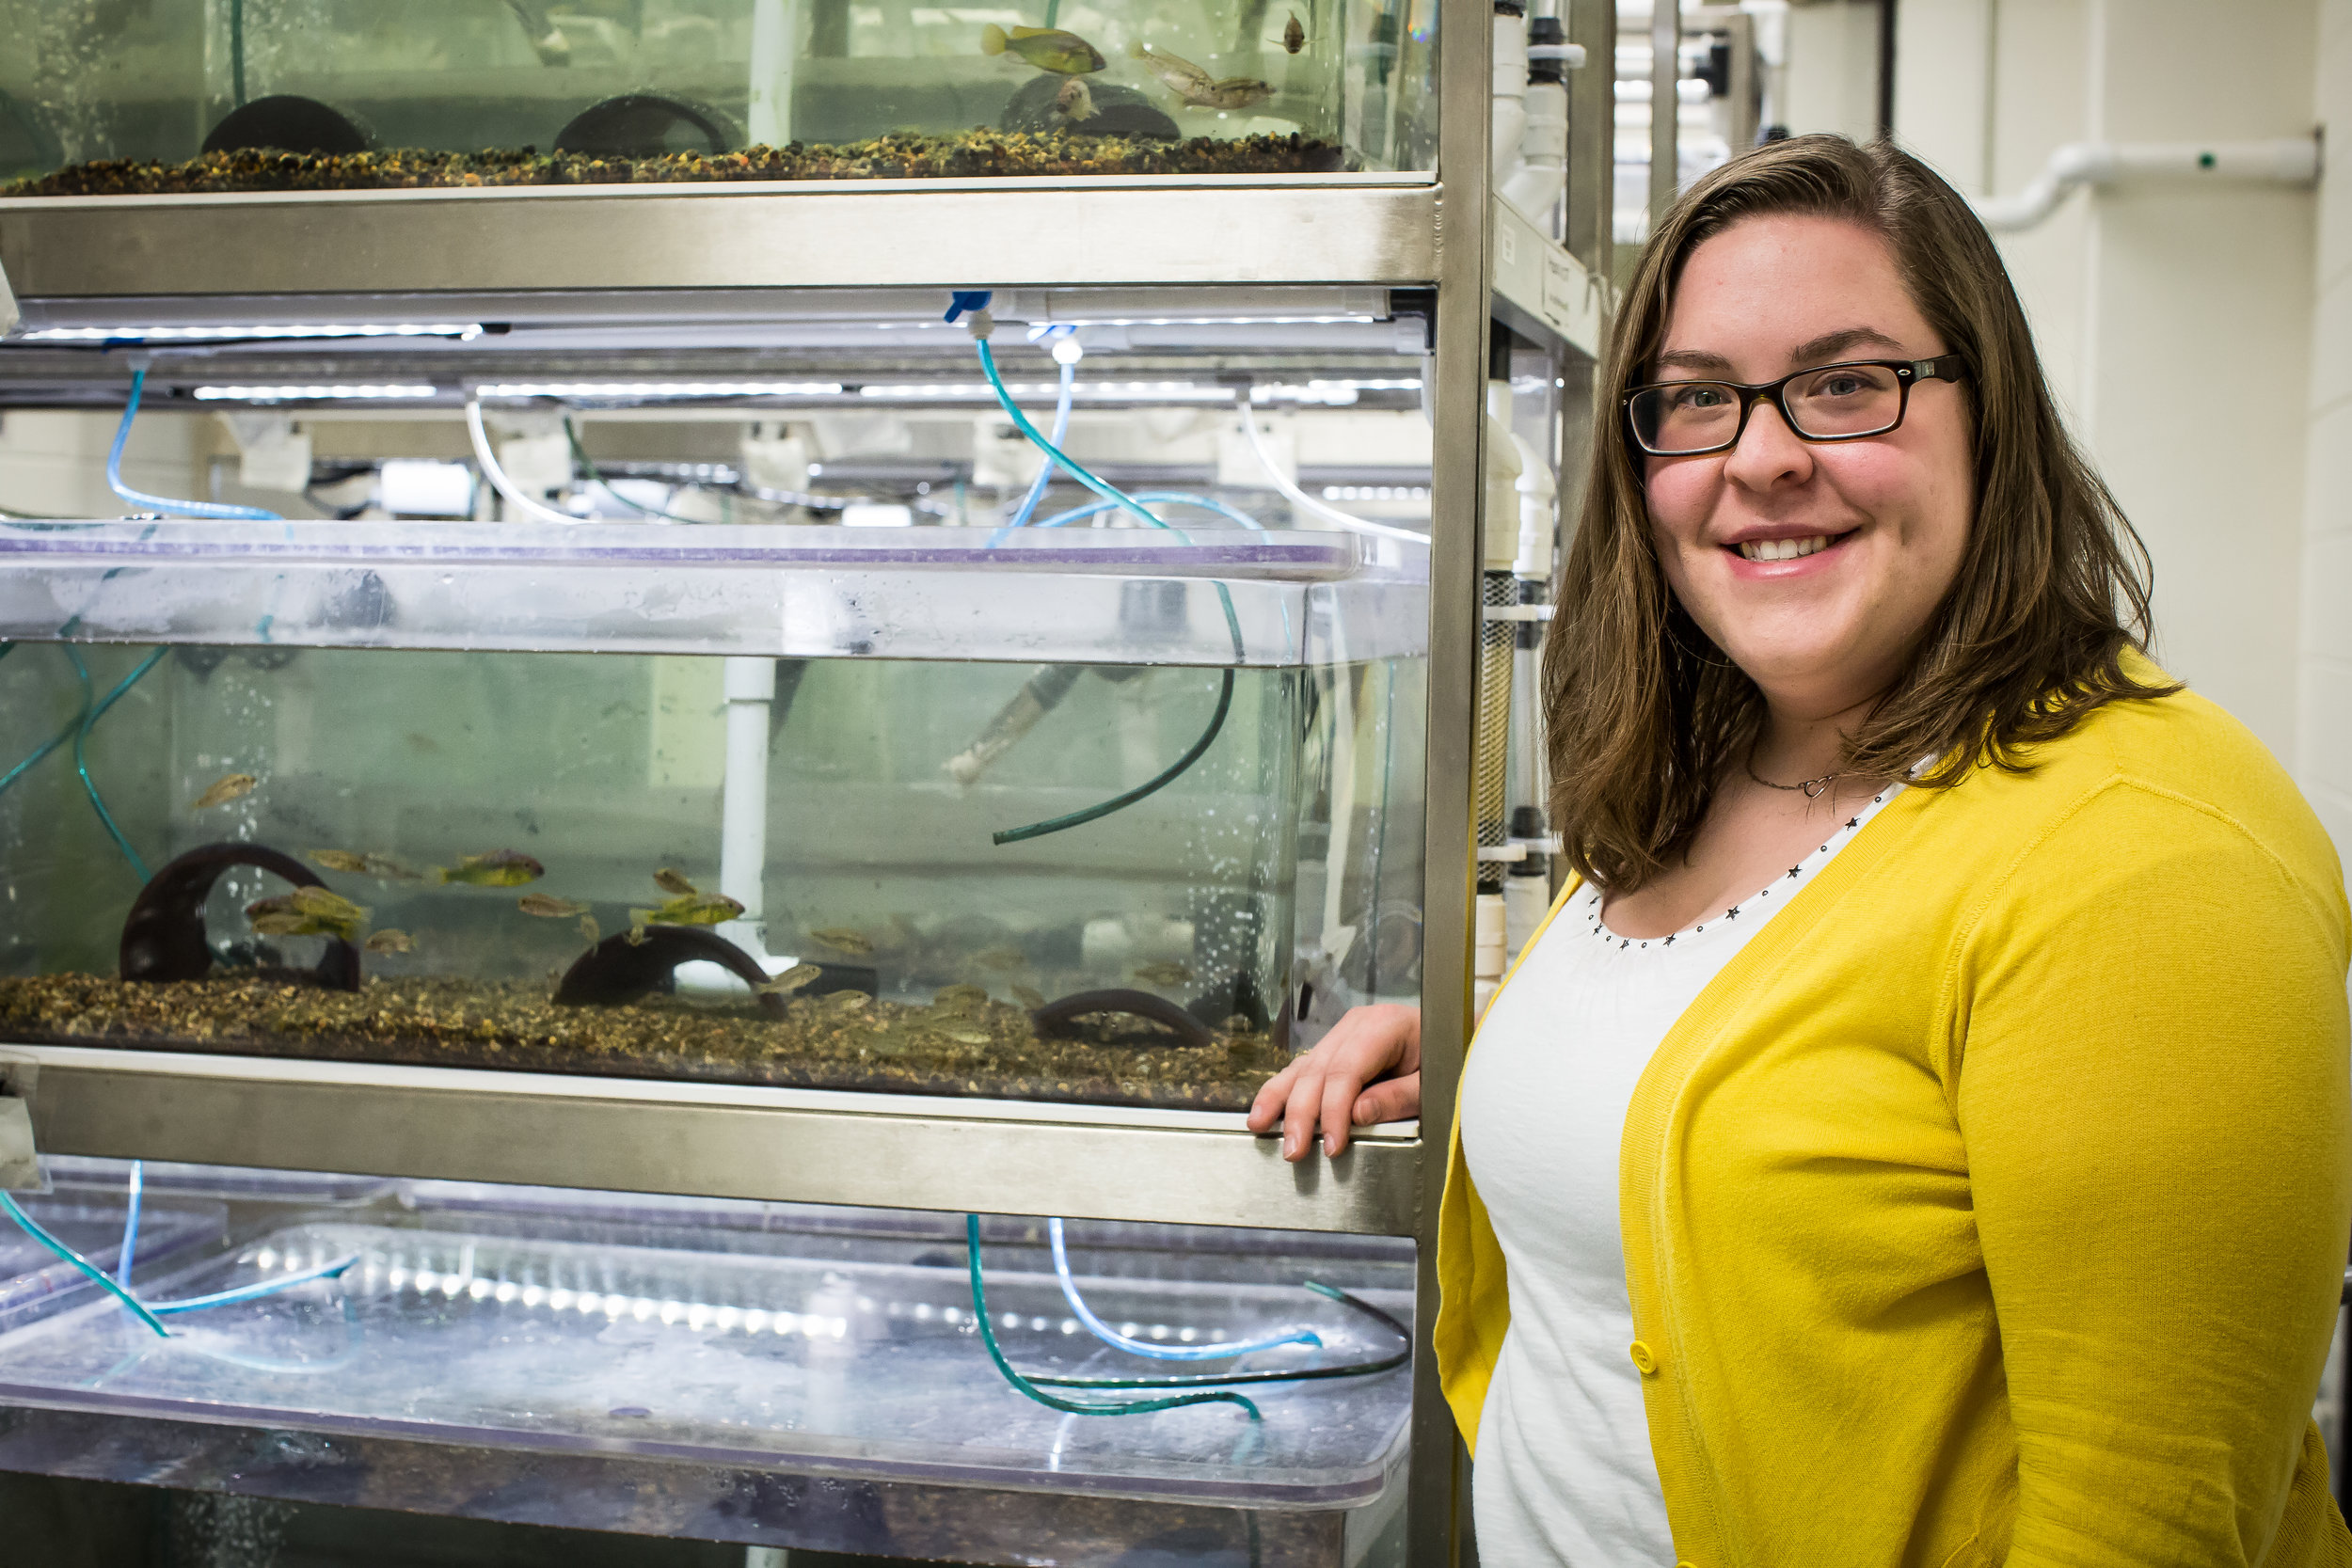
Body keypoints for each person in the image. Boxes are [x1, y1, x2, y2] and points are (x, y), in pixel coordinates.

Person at [1249, 135, 2352, 1566]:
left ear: (1988, 415)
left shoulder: (2147, 862)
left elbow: (2143, 1531)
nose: (1763, 456)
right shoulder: (1709, 760)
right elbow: (1768, 1068)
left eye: (1845, 384)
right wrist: (1499, 1044)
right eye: (1698, 400)